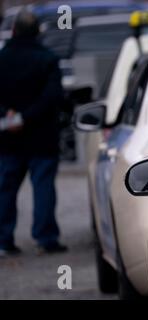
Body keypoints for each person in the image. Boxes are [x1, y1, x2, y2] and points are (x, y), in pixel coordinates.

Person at [0, 9, 67, 257]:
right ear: (37, 32)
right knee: (43, 188)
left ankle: (4, 240)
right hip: (42, 136)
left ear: (14, 30)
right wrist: (27, 117)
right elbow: (52, 97)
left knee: (6, 189)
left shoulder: (2, 58)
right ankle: (45, 238)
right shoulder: (48, 59)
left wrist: (9, 114)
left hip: (7, 136)